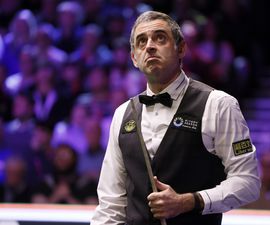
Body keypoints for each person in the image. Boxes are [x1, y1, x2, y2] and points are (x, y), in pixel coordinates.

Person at [91, 11, 260, 225]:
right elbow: (110, 205)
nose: (149, 46)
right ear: (134, 58)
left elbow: (248, 182)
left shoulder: (219, 104)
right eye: (141, 42)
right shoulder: (122, 114)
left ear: (181, 49)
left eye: (160, 38)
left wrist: (190, 201)